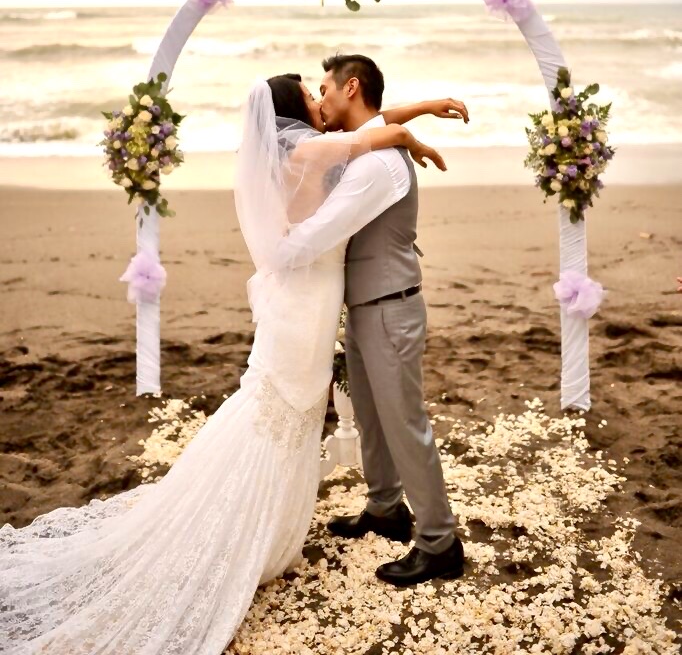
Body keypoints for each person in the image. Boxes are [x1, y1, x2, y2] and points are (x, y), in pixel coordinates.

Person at [0, 73, 465, 654]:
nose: (321, 99)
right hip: (304, 291)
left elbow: (373, 126)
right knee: (280, 406)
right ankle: (355, 510)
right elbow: (372, 133)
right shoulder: (317, 146)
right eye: (312, 94)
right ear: (299, 113)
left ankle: (401, 517)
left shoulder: (306, 142)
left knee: (303, 409)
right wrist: (408, 134)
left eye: (325, 90)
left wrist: (410, 122)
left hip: (319, 297)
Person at [270, 55, 466, 586]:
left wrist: (275, 255)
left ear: (350, 87)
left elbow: (323, 231)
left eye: (326, 89)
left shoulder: (374, 166)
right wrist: (420, 117)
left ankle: (439, 542)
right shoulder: (368, 146)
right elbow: (384, 126)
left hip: (389, 306)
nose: (321, 99)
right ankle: (385, 508)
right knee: (375, 418)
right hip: (368, 307)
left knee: (404, 422)